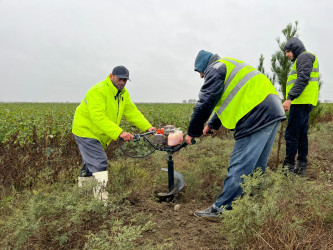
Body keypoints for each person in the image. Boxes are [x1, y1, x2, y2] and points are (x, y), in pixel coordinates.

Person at [185, 50, 286, 217]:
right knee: (257, 163)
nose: (201, 76)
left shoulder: (215, 69)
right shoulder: (228, 65)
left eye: (200, 71)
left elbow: (206, 101)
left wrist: (192, 132)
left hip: (256, 114)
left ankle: (222, 209)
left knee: (240, 163)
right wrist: (210, 125)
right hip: (272, 111)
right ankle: (254, 201)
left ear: (204, 65)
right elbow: (228, 98)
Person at [72, 66, 156, 201]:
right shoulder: (98, 91)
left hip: (99, 133)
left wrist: (148, 127)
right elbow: (98, 118)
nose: (122, 82)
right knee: (99, 162)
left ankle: (83, 196)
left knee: (89, 164)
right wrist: (120, 133)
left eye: (125, 80)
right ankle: (100, 202)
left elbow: (132, 112)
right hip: (86, 130)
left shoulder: (123, 94)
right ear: (111, 76)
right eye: (120, 78)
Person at [282, 37, 319, 177]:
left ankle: (288, 169)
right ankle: (301, 167)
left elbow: (303, 78)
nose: (286, 55)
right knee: (302, 135)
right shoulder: (302, 59)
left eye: (288, 51)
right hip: (303, 102)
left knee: (291, 134)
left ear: (295, 48)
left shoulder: (304, 57)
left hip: (300, 102)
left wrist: (290, 98)